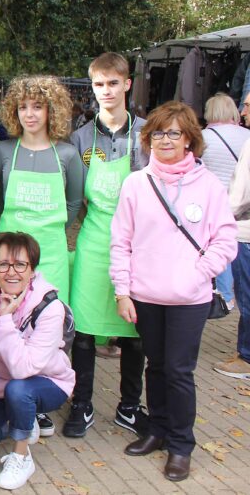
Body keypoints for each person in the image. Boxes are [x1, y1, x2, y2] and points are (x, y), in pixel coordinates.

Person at [111, 101, 237, 481]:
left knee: (180, 371)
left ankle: (182, 445)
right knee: (157, 366)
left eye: (174, 133)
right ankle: (158, 430)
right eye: (159, 133)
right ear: (148, 140)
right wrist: (123, 290)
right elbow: (121, 241)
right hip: (146, 296)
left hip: (188, 299)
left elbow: (226, 240)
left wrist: (197, 274)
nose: (166, 140)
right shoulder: (136, 183)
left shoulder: (209, 185)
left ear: (189, 140)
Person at [66, 53, 148, 439]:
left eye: (113, 83)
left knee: (134, 332)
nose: (106, 91)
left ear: (127, 85)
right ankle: (81, 404)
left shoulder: (148, 134)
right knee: (83, 329)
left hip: (140, 246)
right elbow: (75, 199)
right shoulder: (80, 139)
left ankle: (129, 407)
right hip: (94, 242)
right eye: (99, 84)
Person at [0, 232, 74, 490]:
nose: (12, 272)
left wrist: (4, 320)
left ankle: (21, 455)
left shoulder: (50, 307)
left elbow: (23, 369)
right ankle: (16, 419)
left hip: (44, 382)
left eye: (21, 265)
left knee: (19, 390)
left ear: (32, 269)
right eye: (3, 265)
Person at [0, 75, 83, 304]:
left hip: (51, 250)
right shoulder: (2, 151)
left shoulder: (68, 154)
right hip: (8, 252)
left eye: (37, 107)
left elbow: (73, 202)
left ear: (52, 110)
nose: (29, 114)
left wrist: (50, 227)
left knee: (48, 315)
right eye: (23, 107)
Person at [200, 93, 250, 308]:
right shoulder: (245, 136)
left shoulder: (202, 137)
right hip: (240, 209)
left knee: (218, 250)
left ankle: (223, 295)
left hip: (214, 203)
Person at [218, 114, 250, 380]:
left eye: (249, 105)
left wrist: (223, 220)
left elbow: (240, 194)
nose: (244, 111)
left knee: (247, 297)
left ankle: (247, 356)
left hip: (245, 231)